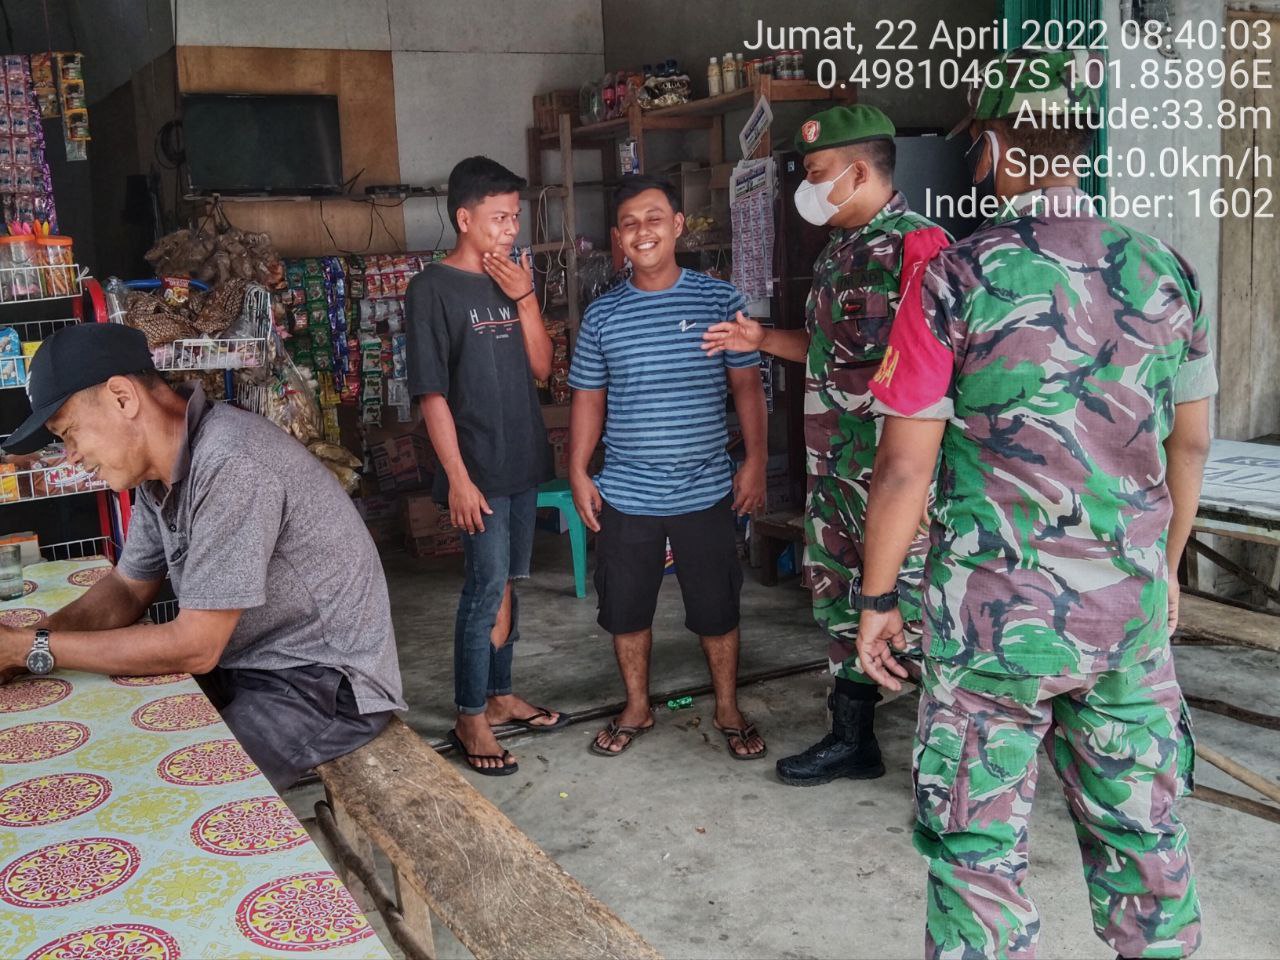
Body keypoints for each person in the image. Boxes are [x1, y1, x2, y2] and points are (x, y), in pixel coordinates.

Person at [855, 48, 1212, 958]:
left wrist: (878, 598)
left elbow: (903, 470)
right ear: (1082, 144)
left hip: (991, 625)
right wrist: (1165, 571)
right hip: (1127, 613)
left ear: (993, 149)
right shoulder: (1165, 272)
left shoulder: (955, 279)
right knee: (1145, 841)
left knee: (978, 852)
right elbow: (1191, 444)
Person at [0, 323, 406, 791]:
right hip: (247, 665)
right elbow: (128, 588)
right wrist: (26, 643)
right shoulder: (160, 471)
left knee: (170, 790)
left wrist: (32, 648)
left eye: (69, 433)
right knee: (115, 741)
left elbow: (196, 646)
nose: (71, 456)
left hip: (322, 683)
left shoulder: (231, 461)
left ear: (122, 398)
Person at [703, 104, 943, 786]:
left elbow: (944, 370)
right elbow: (827, 350)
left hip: (894, 477)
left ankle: (950, 753)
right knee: (841, 598)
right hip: (834, 469)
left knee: (916, 604)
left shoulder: (921, 249)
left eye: (815, 173)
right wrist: (759, 340)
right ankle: (852, 738)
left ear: (858, 172)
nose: (806, 187)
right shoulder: (838, 250)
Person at [569, 175, 769, 760]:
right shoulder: (603, 317)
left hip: (705, 488)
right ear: (617, 237)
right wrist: (578, 470)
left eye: (654, 218)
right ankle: (637, 706)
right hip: (627, 492)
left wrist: (756, 461)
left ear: (677, 226)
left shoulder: (719, 301)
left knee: (717, 607)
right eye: (629, 223)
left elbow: (747, 388)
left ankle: (727, 706)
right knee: (626, 608)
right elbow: (588, 399)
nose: (643, 232)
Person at [406, 155, 565, 777]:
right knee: (484, 588)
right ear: (464, 218)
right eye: (498, 217)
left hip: (521, 457)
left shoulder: (511, 280)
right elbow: (431, 396)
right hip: (477, 469)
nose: (510, 228)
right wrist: (459, 479)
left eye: (514, 217)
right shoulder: (432, 289)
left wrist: (525, 298)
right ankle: (470, 713)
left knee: (509, 584)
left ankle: (500, 695)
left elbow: (543, 368)